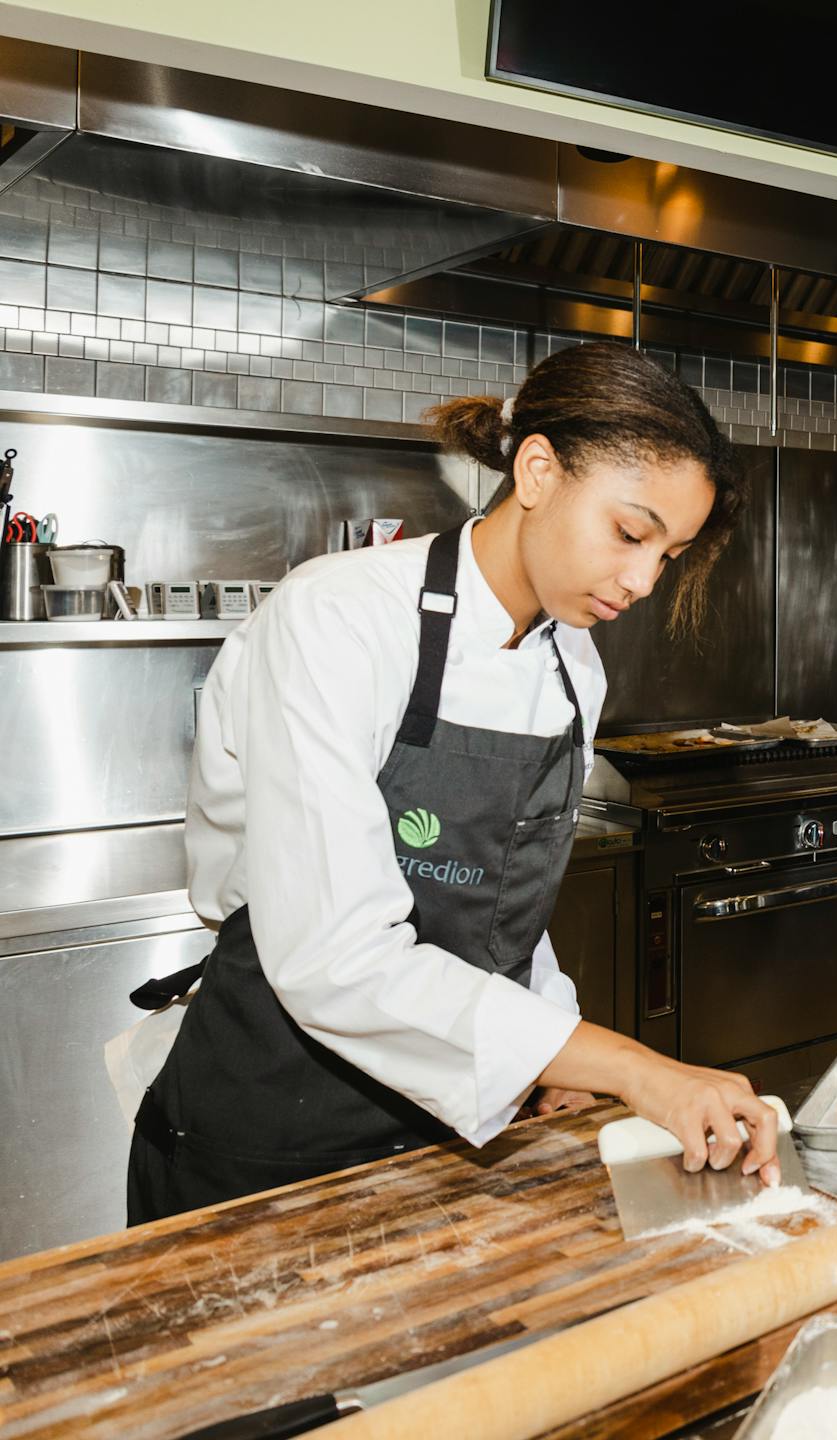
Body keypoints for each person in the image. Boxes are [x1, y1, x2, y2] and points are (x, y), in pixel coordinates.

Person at [124, 342, 779, 1223]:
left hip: (449, 1135)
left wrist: (547, 1051)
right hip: (271, 1132)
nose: (642, 581)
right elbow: (334, 957)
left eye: (670, 555)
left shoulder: (573, 667)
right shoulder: (339, 619)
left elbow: (502, 903)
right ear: (538, 470)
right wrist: (625, 1065)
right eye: (631, 533)